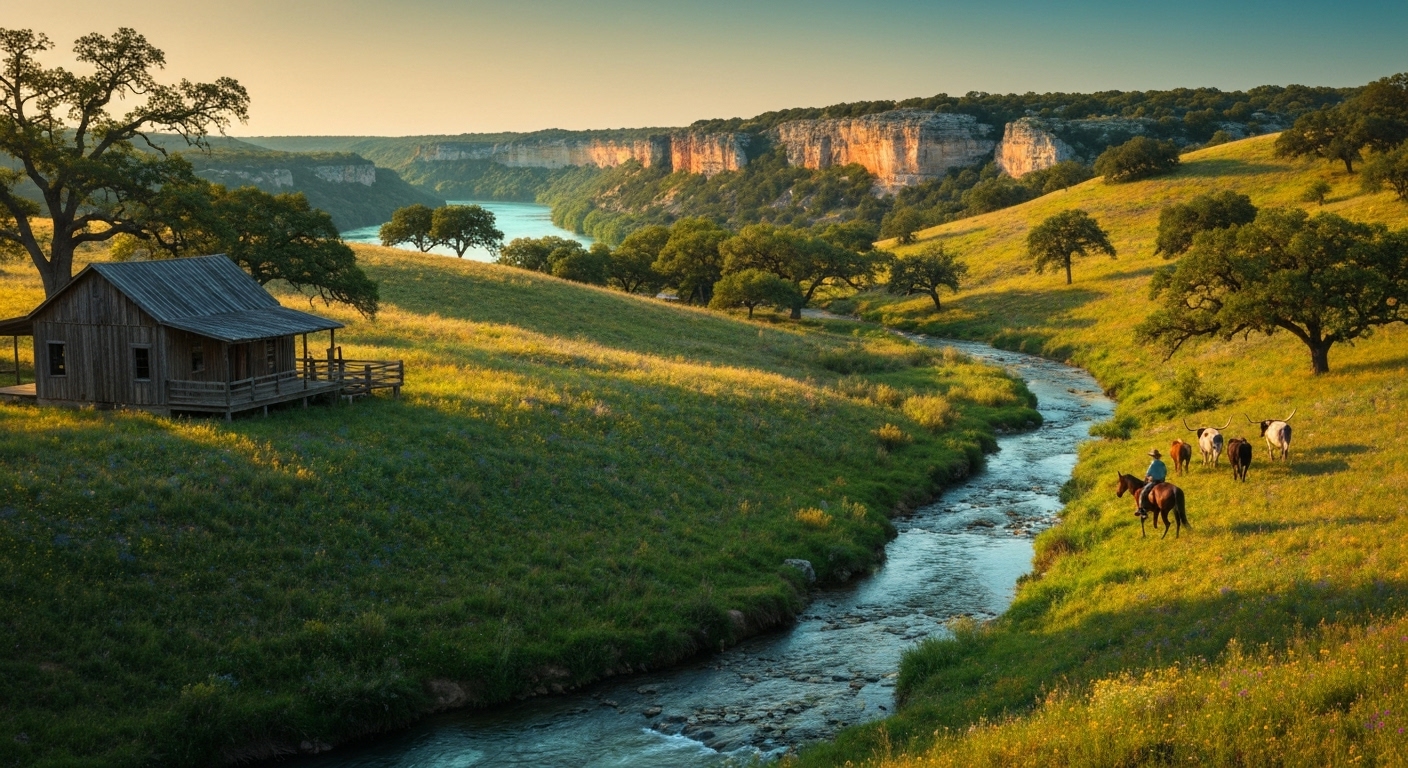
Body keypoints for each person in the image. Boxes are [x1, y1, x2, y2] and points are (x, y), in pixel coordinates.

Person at [1140, 448, 1167, 513]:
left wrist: (1147, 479)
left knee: (1143, 492)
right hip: (1162, 481)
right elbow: (1165, 472)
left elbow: (1147, 474)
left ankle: (1141, 509)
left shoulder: (1152, 464)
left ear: (1153, 457)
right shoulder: (1162, 463)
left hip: (1154, 482)